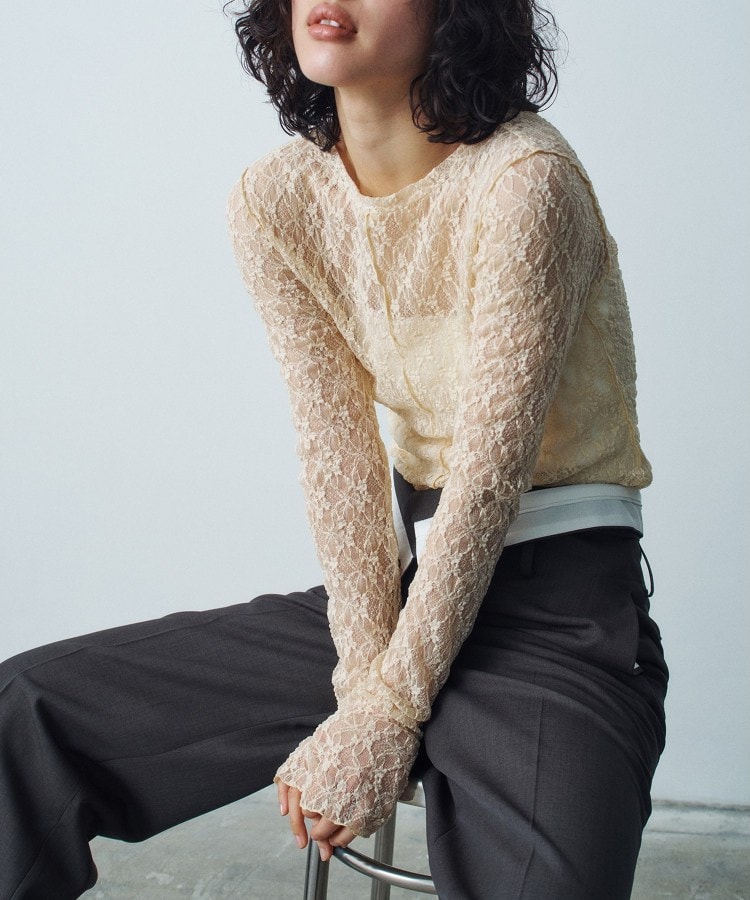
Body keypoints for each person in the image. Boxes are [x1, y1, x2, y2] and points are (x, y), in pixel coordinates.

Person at [0, 0, 668, 897]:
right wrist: (365, 685)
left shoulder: (524, 181)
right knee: (24, 712)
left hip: (559, 610)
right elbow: (340, 459)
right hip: (396, 597)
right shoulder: (276, 198)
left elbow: (487, 478)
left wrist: (389, 711)